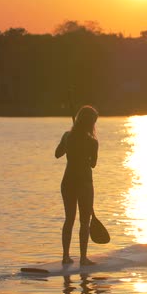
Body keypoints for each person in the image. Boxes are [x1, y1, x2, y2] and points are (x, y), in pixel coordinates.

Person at [55, 105, 99, 265]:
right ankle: (83, 258)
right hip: (84, 183)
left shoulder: (67, 136)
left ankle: (65, 256)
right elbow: (93, 164)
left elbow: (57, 154)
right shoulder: (92, 142)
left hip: (68, 182)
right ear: (91, 123)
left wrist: (69, 146)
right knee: (84, 222)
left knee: (69, 219)